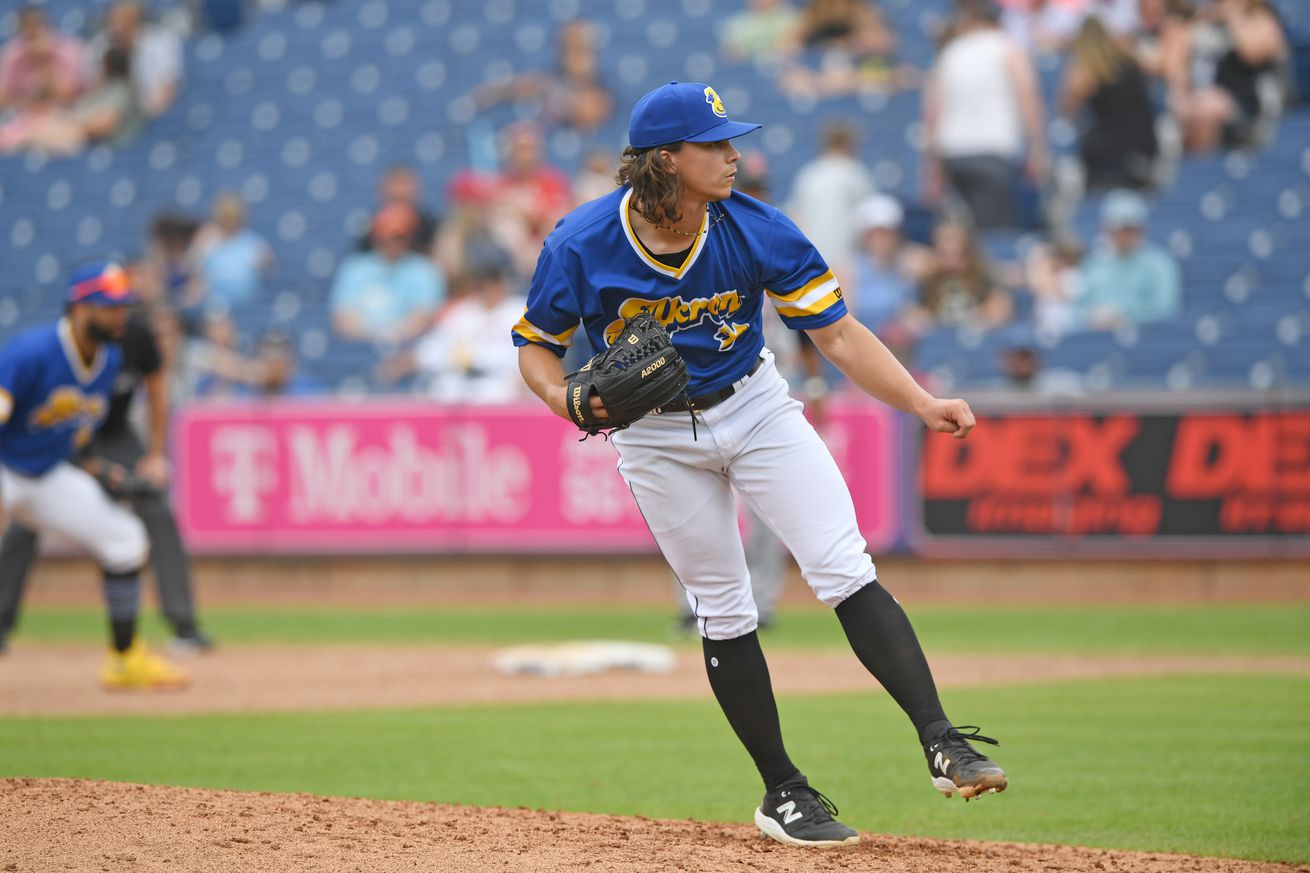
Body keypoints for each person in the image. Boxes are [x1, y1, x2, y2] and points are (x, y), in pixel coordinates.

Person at [513, 81, 1007, 848]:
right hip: (654, 438)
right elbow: (536, 346)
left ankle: (944, 739)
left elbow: (838, 336)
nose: (734, 154)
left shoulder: (757, 228)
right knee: (723, 604)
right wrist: (565, 400)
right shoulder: (580, 242)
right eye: (714, 144)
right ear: (665, 162)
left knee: (844, 564)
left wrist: (919, 401)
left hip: (754, 406)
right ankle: (784, 791)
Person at [0, 261, 188, 688]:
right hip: (5, 468)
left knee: (125, 539)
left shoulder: (108, 364)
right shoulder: (33, 351)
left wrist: (105, 473)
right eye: (109, 306)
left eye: (123, 306)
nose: (120, 315)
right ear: (79, 308)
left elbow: (74, 438)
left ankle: (125, 661)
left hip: (44, 476)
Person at [922, 0, 1048, 229]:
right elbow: (1028, 95)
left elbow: (932, 111)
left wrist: (933, 166)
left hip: (953, 152)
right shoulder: (1007, 47)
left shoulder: (951, 51)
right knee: (994, 232)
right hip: (993, 151)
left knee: (966, 230)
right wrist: (1038, 148)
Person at [1061, 16, 1159, 191]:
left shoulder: (1089, 69)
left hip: (1111, 156)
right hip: (1143, 147)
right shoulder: (1127, 60)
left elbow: (1067, 109)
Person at [331, 203, 445, 344]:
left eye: (398, 236)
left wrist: (392, 336)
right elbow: (343, 318)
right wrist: (379, 337)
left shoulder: (424, 270)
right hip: (362, 345)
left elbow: (425, 316)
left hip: (408, 347)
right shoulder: (355, 267)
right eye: (386, 235)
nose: (392, 242)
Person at [783, 120, 874, 285]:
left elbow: (795, 219)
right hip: (847, 262)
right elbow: (870, 222)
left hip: (810, 261)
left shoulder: (809, 174)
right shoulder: (856, 173)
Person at [1077, 189, 1182, 329]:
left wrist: (1125, 315)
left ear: (1142, 229)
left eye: (1130, 229)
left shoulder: (1160, 264)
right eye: (1120, 229)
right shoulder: (1092, 264)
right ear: (1106, 229)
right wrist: (1093, 316)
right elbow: (1075, 310)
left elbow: (1166, 308)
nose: (1125, 235)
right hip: (1097, 341)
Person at [86, 1, 183, 118]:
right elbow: (92, 88)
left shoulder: (162, 43)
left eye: (124, 22)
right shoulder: (100, 46)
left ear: (136, 21)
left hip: (149, 112)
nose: (117, 27)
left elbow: (168, 88)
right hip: (109, 111)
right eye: (113, 21)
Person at [187, 191, 275, 313]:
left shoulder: (253, 242)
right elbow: (190, 267)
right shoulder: (208, 239)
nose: (229, 220)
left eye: (232, 215)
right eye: (225, 215)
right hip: (215, 306)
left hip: (248, 304)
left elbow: (268, 267)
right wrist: (200, 244)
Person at [0, 6, 85, 115]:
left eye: (36, 27)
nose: (31, 34)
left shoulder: (70, 49)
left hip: (63, 113)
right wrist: (28, 105)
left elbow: (66, 97)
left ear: (48, 28)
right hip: (22, 114)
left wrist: (41, 61)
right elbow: (2, 99)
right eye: (26, 30)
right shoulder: (12, 53)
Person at [356, 164, 440, 255]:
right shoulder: (371, 225)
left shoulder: (430, 226)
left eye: (405, 182)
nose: (400, 190)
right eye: (395, 183)